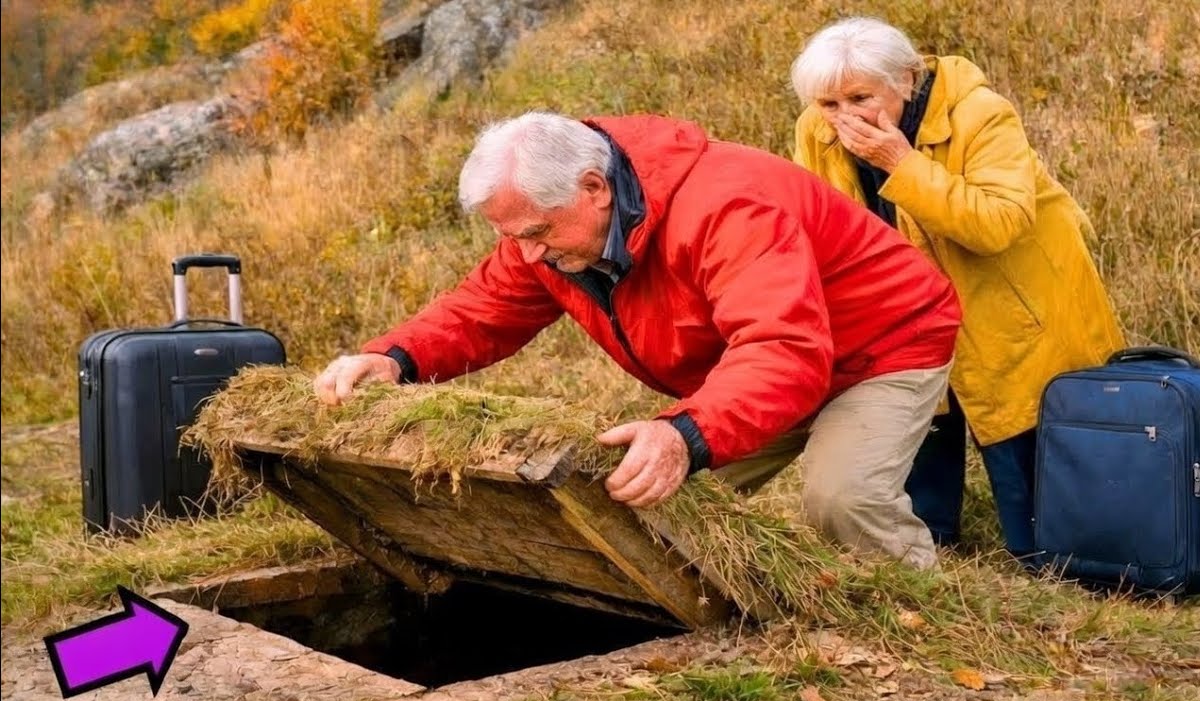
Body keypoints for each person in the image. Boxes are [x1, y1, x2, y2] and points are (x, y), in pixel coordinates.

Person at [313, 111, 963, 570]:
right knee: (648, 493)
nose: (529, 253)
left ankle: (913, 625)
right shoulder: (550, 228)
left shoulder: (726, 206)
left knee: (841, 498)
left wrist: (684, 432)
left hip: (881, 341)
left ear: (594, 188)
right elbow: (483, 308)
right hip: (760, 360)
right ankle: (711, 614)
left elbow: (783, 348)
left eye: (538, 231)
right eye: (514, 238)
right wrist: (393, 357)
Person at [790, 17, 1125, 559]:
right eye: (828, 104)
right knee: (920, 459)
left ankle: (1068, 550)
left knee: (1043, 539)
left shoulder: (980, 114)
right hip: (907, 315)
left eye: (859, 97)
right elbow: (819, 223)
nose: (843, 118)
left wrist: (900, 163)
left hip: (1011, 305)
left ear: (905, 80)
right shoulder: (818, 129)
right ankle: (936, 542)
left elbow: (997, 223)